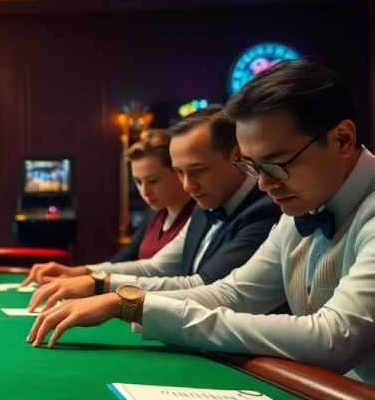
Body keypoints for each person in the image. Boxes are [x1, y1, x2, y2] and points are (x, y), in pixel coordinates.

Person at [26, 59, 375, 383]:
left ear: (342, 139)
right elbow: (234, 293)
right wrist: (125, 301)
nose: (265, 185)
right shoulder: (300, 204)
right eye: (252, 167)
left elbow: (333, 338)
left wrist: (132, 303)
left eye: (276, 164)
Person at [24, 105, 281, 310]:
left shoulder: (266, 208)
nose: (188, 186)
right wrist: (87, 275)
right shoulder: (207, 201)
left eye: (198, 171)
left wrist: (107, 291)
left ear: (238, 157)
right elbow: (155, 267)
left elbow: (206, 286)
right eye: (180, 172)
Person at [105, 129, 195, 263]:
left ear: (178, 172)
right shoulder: (153, 212)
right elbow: (126, 257)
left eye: (153, 181)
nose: (144, 191)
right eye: (138, 182)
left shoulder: (200, 215)